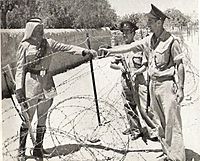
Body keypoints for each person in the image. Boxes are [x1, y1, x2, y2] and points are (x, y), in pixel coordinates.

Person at [99, 4, 185, 161]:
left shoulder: (172, 41)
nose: (148, 24)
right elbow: (129, 47)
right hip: (153, 85)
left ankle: (178, 157)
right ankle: (167, 153)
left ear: (159, 22)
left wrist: (181, 88)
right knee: (160, 123)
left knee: (172, 122)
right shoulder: (149, 40)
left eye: (151, 21)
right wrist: (109, 51)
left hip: (166, 85)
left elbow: (180, 65)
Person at [15, 17, 97, 161]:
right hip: (31, 85)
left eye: (42, 29)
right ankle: (21, 151)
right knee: (27, 119)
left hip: (47, 83)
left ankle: (38, 150)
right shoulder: (25, 46)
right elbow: (20, 69)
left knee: (43, 118)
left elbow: (68, 48)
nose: (41, 31)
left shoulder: (49, 43)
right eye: (37, 29)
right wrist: (19, 89)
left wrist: (84, 51)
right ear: (31, 30)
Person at [110, 21, 156, 142]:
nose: (125, 35)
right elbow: (112, 64)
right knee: (129, 106)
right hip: (126, 80)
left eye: (128, 32)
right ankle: (136, 130)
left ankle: (153, 131)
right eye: (123, 32)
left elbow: (145, 65)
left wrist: (137, 72)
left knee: (145, 106)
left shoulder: (139, 47)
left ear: (133, 32)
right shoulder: (121, 49)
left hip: (139, 81)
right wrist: (120, 67)